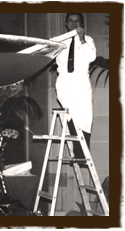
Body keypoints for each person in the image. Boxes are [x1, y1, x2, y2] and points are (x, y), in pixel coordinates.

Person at [55, 13, 96, 156]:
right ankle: (76, 152)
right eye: (71, 21)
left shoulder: (88, 40)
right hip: (64, 82)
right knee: (70, 116)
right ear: (66, 24)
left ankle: (82, 153)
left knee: (85, 117)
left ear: (82, 24)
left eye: (77, 21)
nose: (74, 23)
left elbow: (91, 57)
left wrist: (82, 39)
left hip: (81, 82)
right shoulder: (59, 42)